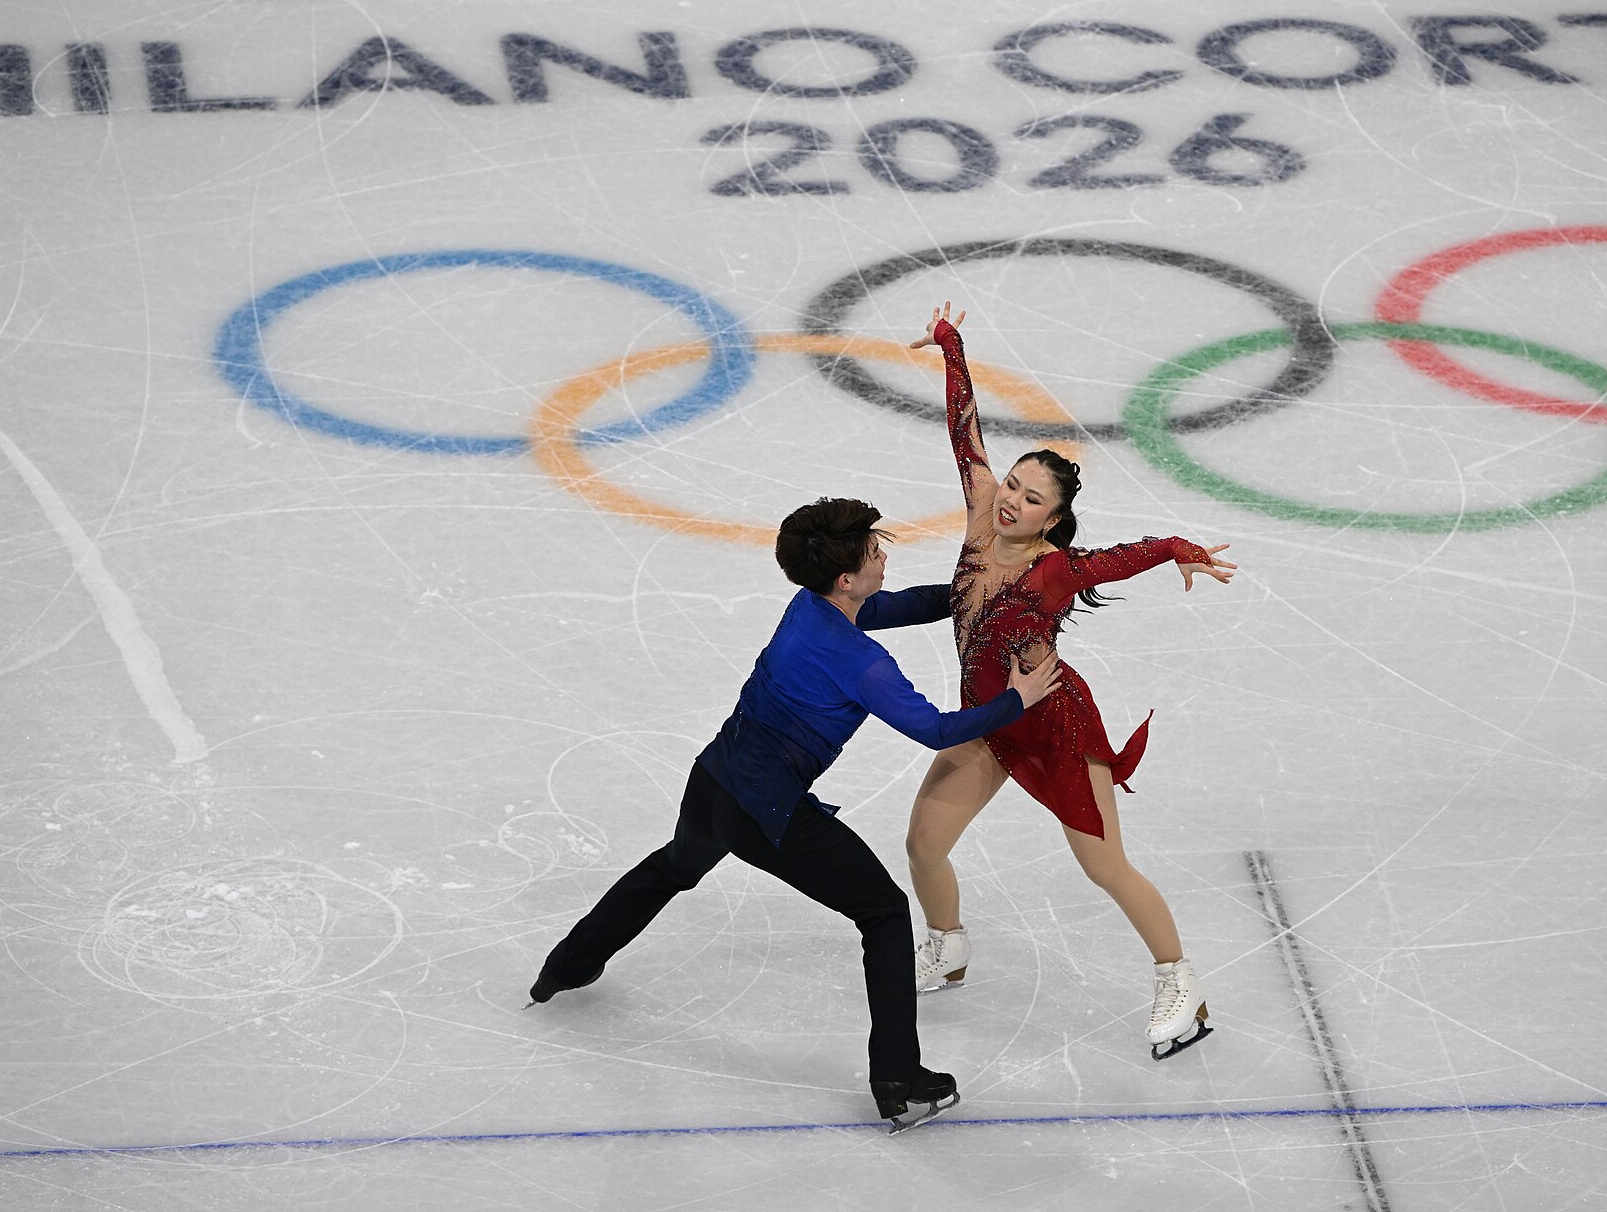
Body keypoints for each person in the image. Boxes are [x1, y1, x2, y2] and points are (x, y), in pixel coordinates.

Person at [527, 496, 1060, 1129]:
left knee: (674, 865)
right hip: (767, 811)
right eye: (873, 552)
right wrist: (1017, 699)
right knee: (885, 913)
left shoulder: (809, 605)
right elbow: (935, 729)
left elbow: (893, 606)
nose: (883, 555)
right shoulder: (864, 664)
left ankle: (566, 966)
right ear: (846, 577)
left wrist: (973, 591)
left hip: (716, 777)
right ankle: (898, 1078)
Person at [903, 304, 1237, 1060]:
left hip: (1054, 726)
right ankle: (947, 946)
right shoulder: (981, 519)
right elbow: (965, 432)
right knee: (924, 843)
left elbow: (1135, 552)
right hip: (989, 721)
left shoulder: (1055, 572)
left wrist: (1183, 548)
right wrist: (953, 349)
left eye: (1030, 498)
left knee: (1101, 864)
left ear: (1053, 521)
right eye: (1012, 485)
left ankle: (1180, 982)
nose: (1011, 499)